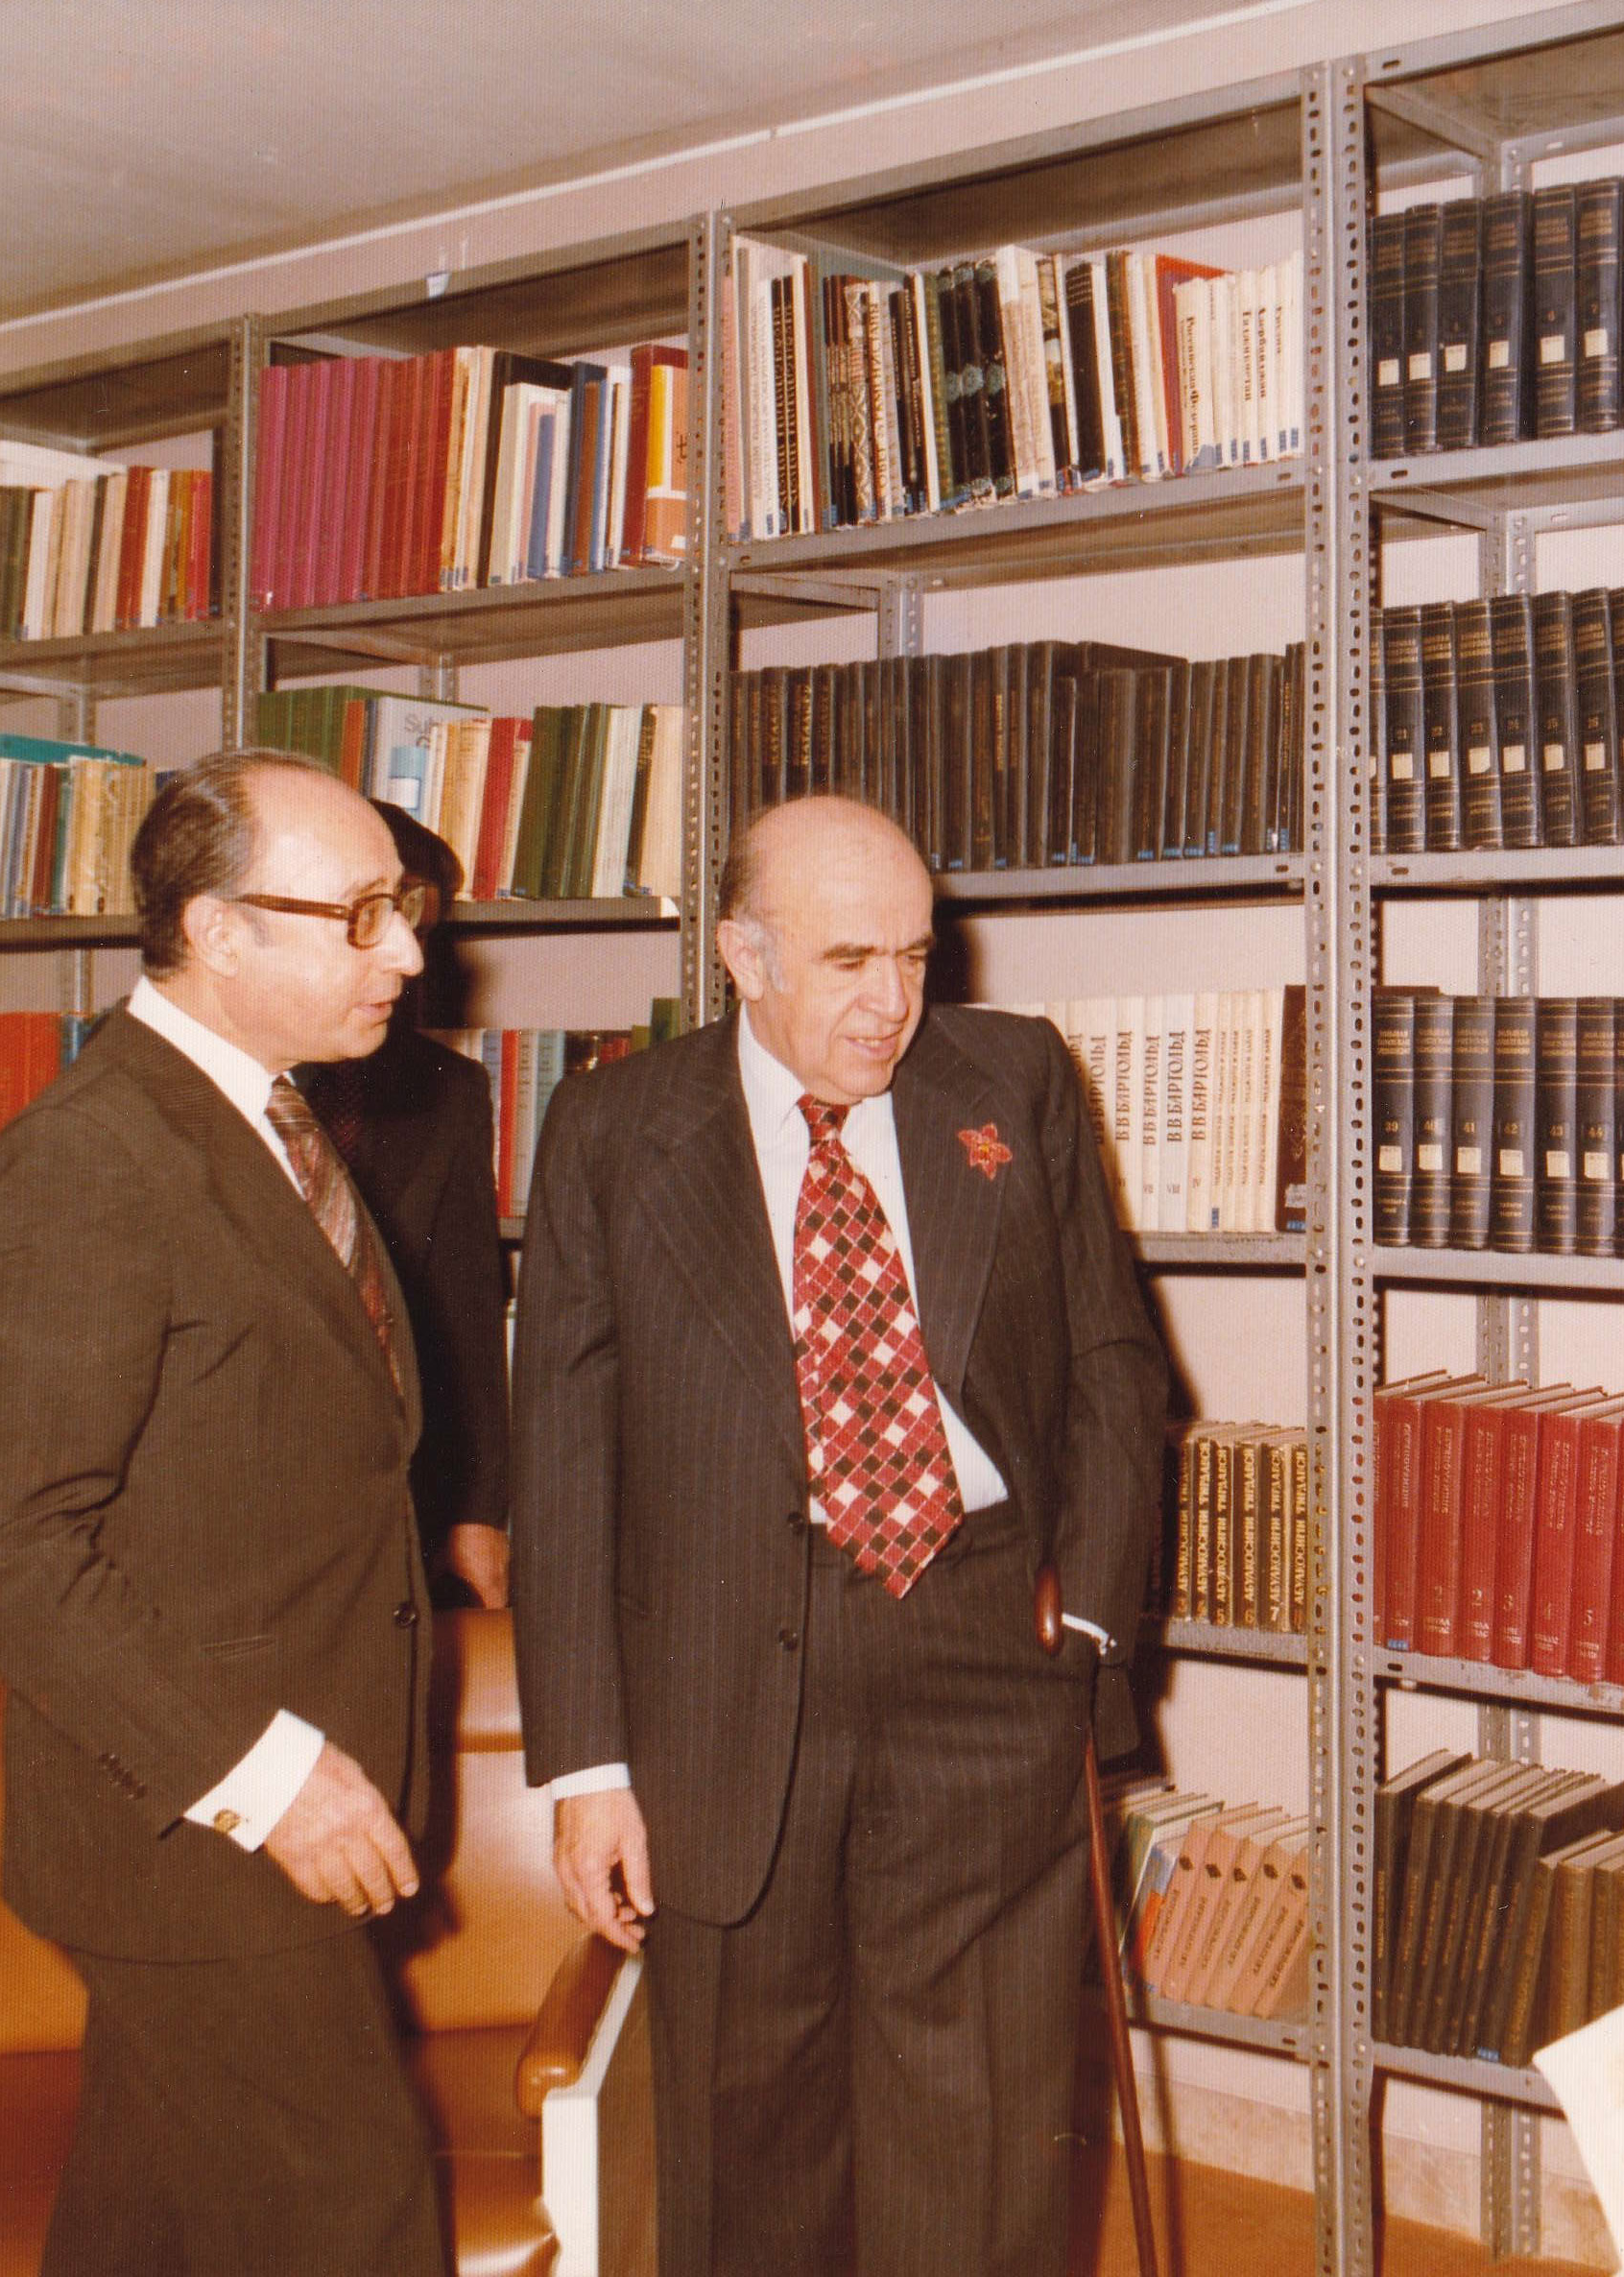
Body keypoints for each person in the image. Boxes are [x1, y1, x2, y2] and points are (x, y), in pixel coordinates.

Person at [510, 792, 1167, 2277]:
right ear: (742, 956)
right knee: (748, 2135)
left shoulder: (1012, 1082)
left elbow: (1115, 1366)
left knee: (980, 2130)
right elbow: (564, 1457)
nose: (892, 1004)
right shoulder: (614, 1130)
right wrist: (589, 1770)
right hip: (723, 1677)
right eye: (850, 960)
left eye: (917, 956)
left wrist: (1086, 1621)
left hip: (986, 1644)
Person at [0, 750, 444, 2277]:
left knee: (147, 2225)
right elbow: (5, 1543)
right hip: (206, 1833)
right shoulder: (90, 1164)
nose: (410, 954)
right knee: (353, 2222)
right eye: (362, 914)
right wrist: (271, 1781)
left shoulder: (260, 1119)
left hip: (259, 1817)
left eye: (403, 909)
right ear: (218, 932)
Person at [300, 800, 511, 1609]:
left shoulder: (448, 1090)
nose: (406, 952)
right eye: (382, 912)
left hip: (395, 1498)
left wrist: (477, 1516)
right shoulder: (227, 1079)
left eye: (420, 920)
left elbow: (465, 1312)